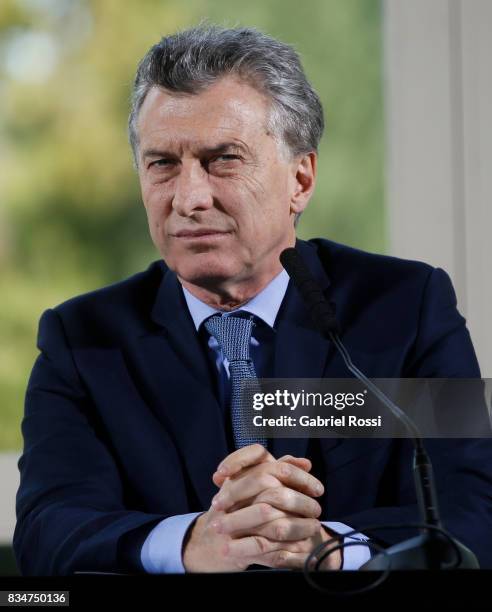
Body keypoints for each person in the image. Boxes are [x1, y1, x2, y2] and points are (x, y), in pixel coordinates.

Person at [13, 25, 492, 576]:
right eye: (163, 163)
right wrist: (195, 542)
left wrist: (326, 547)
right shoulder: (83, 339)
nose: (189, 199)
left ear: (301, 178)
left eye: (224, 159)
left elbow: (472, 513)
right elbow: (49, 533)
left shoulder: (406, 308)